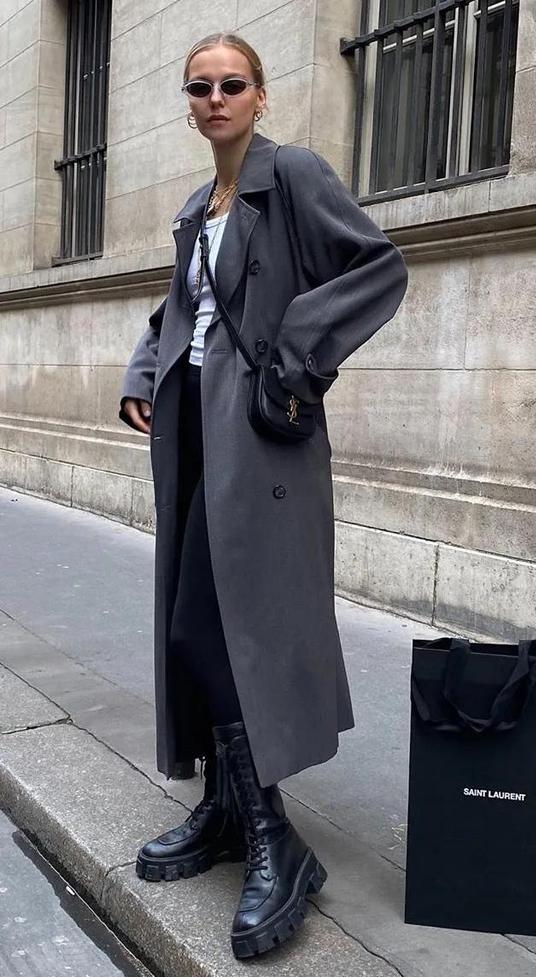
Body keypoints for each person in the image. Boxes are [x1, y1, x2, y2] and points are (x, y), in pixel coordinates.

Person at [119, 31, 408, 960]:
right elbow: (179, 307)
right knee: (193, 619)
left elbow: (377, 267)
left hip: (261, 440)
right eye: (199, 87)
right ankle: (224, 809)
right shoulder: (197, 205)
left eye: (231, 84)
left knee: (212, 624)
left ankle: (274, 837)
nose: (215, 99)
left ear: (261, 95)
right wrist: (143, 370)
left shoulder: (295, 175)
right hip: (194, 429)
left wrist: (293, 359)